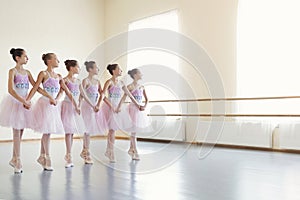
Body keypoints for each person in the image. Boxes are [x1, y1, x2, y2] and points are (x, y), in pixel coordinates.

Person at [26, 53, 78, 171]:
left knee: (48, 131)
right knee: (47, 131)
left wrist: (59, 99)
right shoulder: (43, 74)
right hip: (45, 104)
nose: (58, 60)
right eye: (55, 59)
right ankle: (47, 157)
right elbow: (36, 88)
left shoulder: (59, 76)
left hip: (54, 104)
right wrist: (28, 100)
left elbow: (65, 91)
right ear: (49, 61)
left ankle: (42, 156)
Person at [101, 64, 141, 162]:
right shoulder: (109, 82)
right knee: (112, 130)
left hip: (119, 107)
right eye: (119, 69)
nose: (121, 70)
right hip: (110, 107)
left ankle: (109, 150)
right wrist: (112, 106)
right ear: (114, 71)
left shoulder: (121, 82)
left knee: (114, 130)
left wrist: (138, 105)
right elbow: (103, 95)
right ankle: (110, 151)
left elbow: (129, 95)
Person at [60, 59, 85, 168]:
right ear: (71, 68)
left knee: (73, 131)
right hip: (68, 106)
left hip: (76, 107)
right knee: (68, 131)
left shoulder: (78, 81)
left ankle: (69, 154)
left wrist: (79, 104)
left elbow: (81, 94)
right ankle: (68, 155)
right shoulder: (65, 80)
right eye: (78, 67)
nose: (79, 69)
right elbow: (64, 93)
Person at [80, 61, 106, 164]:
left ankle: (85, 151)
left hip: (95, 107)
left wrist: (99, 104)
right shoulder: (85, 81)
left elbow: (102, 94)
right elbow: (82, 95)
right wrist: (91, 105)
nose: (98, 69)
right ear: (90, 69)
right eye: (96, 67)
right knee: (86, 130)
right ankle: (86, 152)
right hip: (87, 107)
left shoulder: (98, 82)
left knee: (89, 131)